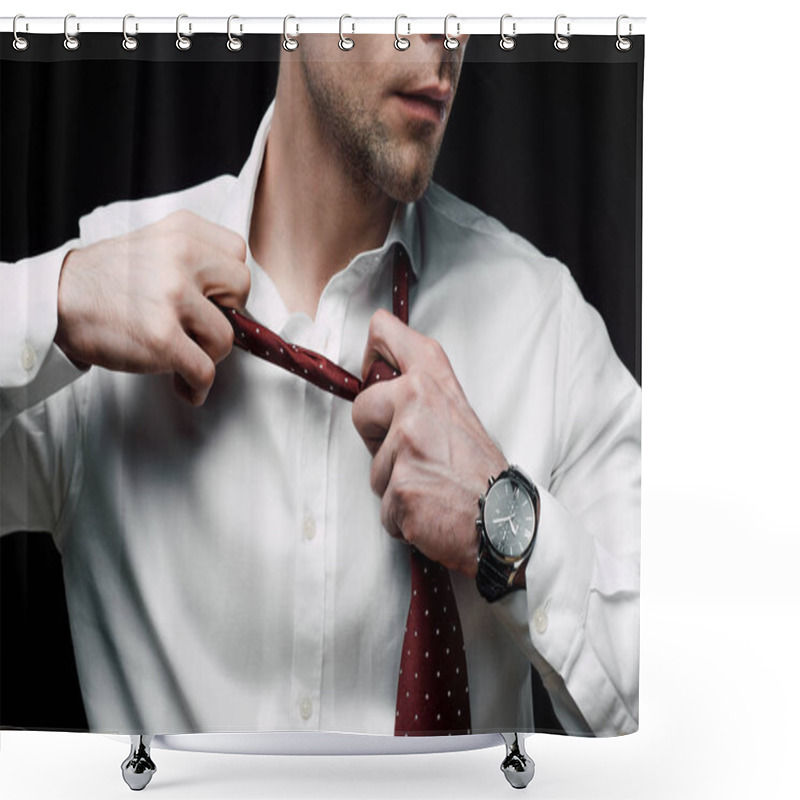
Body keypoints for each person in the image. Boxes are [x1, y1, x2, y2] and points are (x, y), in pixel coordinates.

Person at [0, 34, 640, 737]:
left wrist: (509, 529)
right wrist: (49, 302)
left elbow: (696, 708)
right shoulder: (102, 302)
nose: (443, 32)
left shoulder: (545, 327)